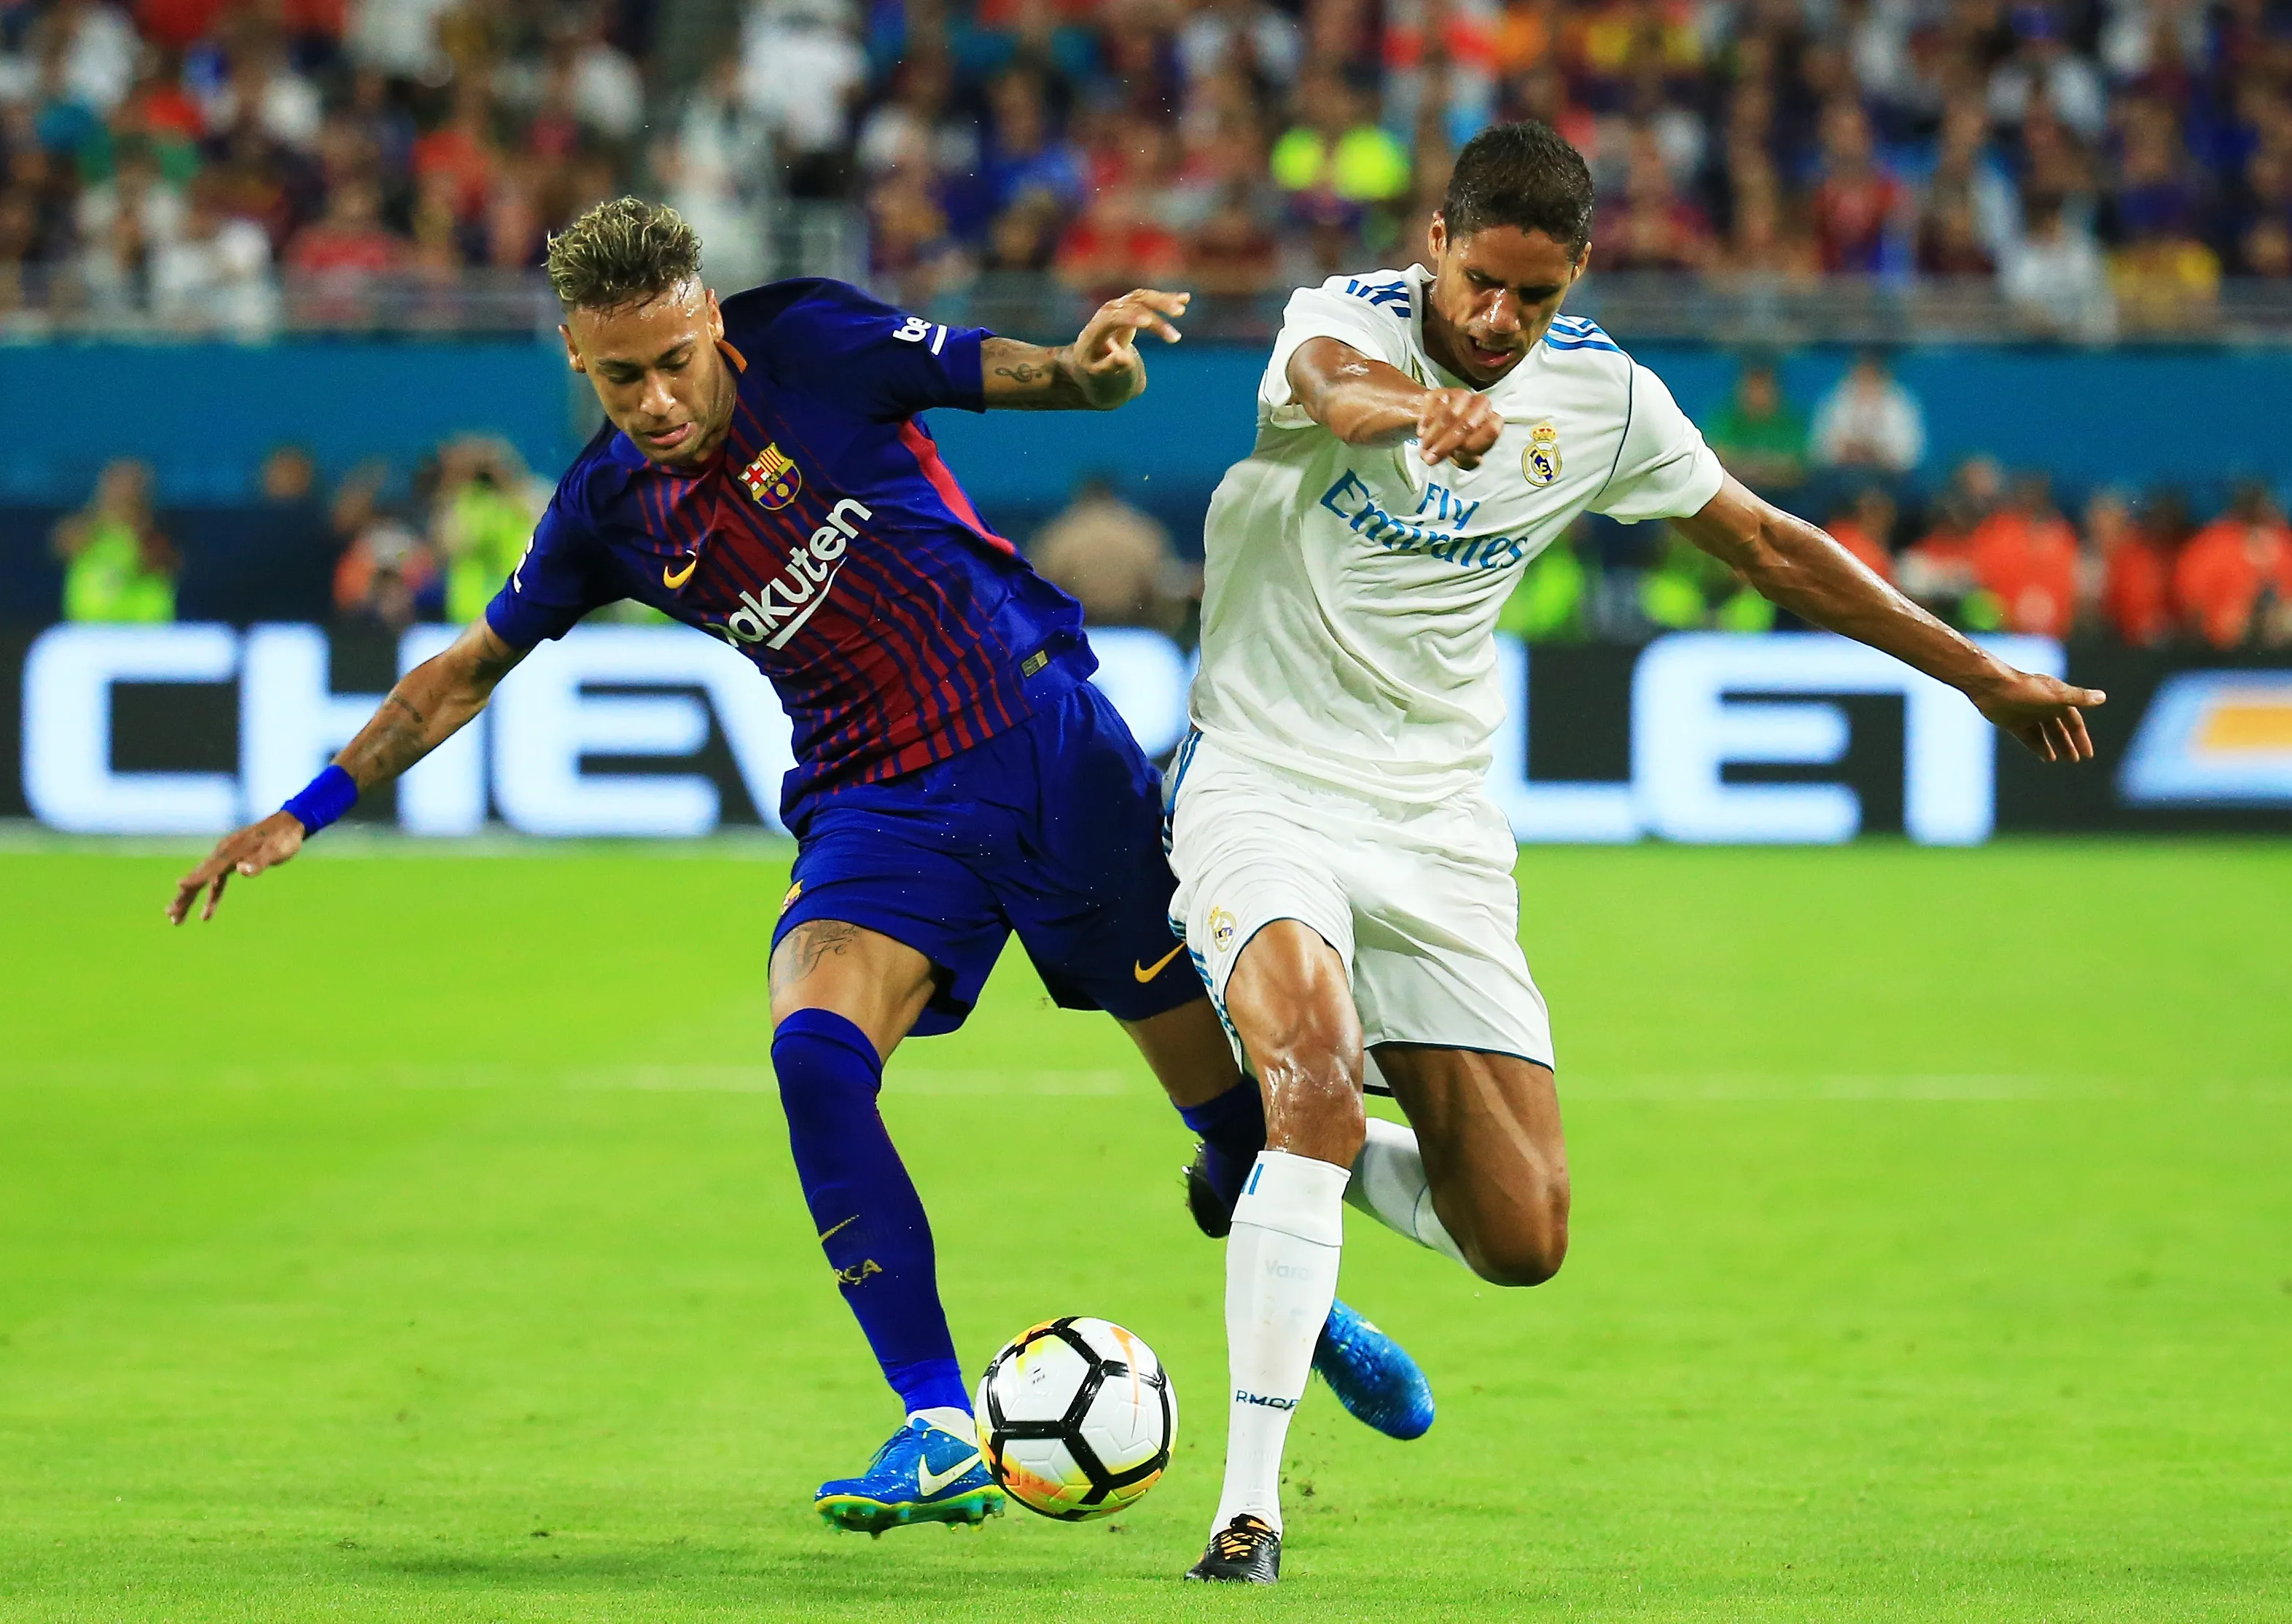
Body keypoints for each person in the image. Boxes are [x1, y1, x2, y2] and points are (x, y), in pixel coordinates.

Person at [165, 198, 1430, 1535]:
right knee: (814, 1054)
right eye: (619, 377)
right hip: (874, 804)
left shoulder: (814, 343)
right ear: (575, 357)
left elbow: (1042, 376)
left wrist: (1092, 366)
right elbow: (468, 668)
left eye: (673, 361)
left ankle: (1301, 1298)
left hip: (1042, 746)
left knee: (1227, 1122)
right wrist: (306, 806)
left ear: (709, 318)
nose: (655, 401)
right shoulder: (606, 510)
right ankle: (937, 1424)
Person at [1170, 120, 2105, 1585]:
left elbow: (1770, 545)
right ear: (1434, 242)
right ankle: (1248, 1512)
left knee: (1520, 1234)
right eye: (1479, 283)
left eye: (1534, 297)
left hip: (1435, 820)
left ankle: (1292, 1165)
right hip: (1263, 777)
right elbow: (1335, 393)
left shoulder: (1604, 399)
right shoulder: (1335, 321)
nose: (1499, 320)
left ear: (1581, 274)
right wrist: (1418, 412)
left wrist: (1976, 672)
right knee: (1309, 1067)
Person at [54, 458, 177, 623]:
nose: (123, 493)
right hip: (89, 629)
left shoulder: (158, 532)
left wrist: (135, 523)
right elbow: (61, 544)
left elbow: (166, 562)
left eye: (132, 485)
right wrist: (102, 518)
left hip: (144, 630)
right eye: (116, 484)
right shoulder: (87, 528)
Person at [1810, 351, 1927, 482]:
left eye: (1872, 376)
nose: (1866, 381)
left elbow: (1911, 454)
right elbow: (1820, 450)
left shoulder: (1901, 402)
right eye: (1861, 374)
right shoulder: (1835, 400)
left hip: (1890, 477)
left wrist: (1876, 453)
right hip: (1842, 475)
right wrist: (1848, 452)